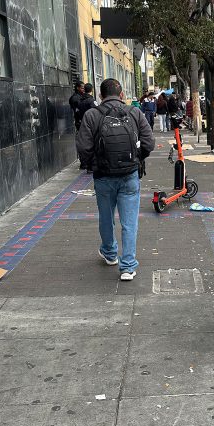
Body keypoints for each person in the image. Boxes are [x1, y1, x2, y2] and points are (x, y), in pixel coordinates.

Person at [76, 79, 155, 281]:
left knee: (106, 216)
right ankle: (127, 266)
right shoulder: (134, 112)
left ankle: (110, 254)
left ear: (101, 96)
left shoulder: (91, 115)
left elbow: (84, 147)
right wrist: (137, 159)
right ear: (121, 95)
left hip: (103, 176)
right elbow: (149, 142)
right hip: (129, 175)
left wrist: (92, 164)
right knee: (129, 222)